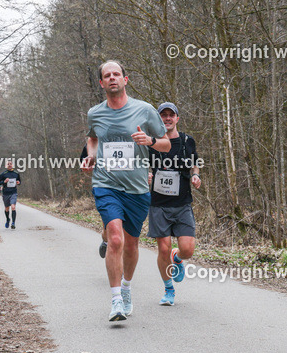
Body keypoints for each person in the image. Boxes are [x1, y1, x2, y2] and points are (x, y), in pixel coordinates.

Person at [81, 60, 170, 321]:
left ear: (125, 79)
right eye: (107, 76)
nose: (112, 78)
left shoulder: (145, 110)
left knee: (131, 244)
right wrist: (92, 156)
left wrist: (150, 141)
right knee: (116, 238)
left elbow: (165, 143)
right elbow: (93, 137)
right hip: (106, 184)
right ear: (101, 83)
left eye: (116, 74)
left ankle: (127, 286)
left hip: (137, 188)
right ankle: (116, 300)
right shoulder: (94, 113)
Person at [147, 102, 201, 305]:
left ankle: (177, 258)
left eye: (171, 115)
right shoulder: (151, 143)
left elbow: (195, 163)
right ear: (158, 119)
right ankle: (168, 289)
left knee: (187, 249)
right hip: (159, 204)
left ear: (177, 118)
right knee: (162, 248)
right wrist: (148, 175)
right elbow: (144, 166)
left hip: (182, 203)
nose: (167, 118)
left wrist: (196, 176)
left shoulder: (188, 141)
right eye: (163, 115)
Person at [81, 143, 108, 257]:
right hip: (106, 188)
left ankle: (122, 272)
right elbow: (84, 160)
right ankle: (106, 240)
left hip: (130, 188)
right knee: (111, 230)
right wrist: (88, 164)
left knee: (125, 234)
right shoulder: (96, 141)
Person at [0, 161, 22, 229]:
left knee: (13, 207)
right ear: (6, 166)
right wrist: (4, 182)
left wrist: (18, 182)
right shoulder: (3, 174)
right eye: (8, 164)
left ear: (12, 165)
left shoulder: (16, 173)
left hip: (13, 192)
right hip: (6, 193)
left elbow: (19, 181)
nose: (9, 165)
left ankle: (13, 223)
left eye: (10, 164)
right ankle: (8, 219)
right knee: (7, 209)